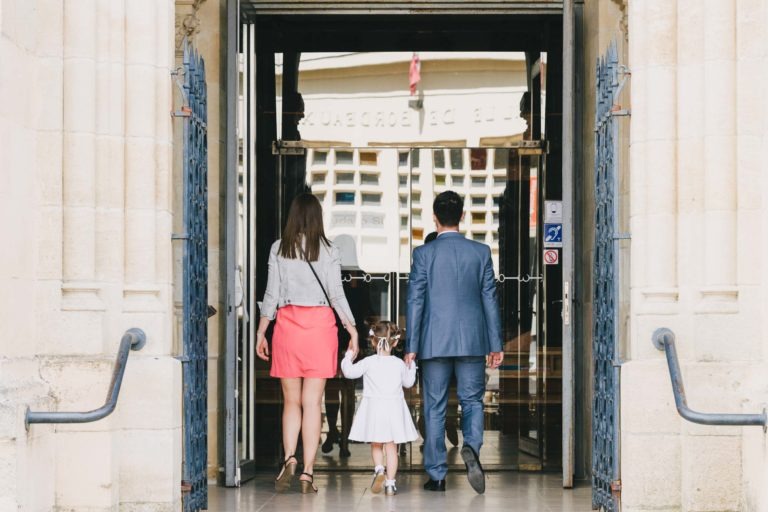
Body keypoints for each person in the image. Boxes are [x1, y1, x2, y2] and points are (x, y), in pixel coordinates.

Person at [256, 193, 359, 494]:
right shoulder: (329, 250)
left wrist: (262, 332)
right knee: (313, 403)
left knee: (292, 402)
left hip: (287, 327)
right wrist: (351, 330)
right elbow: (337, 295)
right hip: (320, 329)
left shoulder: (279, 248)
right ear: (317, 217)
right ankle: (308, 473)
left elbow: (271, 295)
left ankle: (289, 457)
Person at [406, 190, 503, 494]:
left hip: (434, 341)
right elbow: (490, 299)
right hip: (473, 340)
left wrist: (411, 344)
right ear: (462, 216)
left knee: (434, 407)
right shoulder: (481, 252)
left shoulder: (424, 254)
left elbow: (415, 301)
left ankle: (437, 475)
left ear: (435, 218)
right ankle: (471, 446)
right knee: (472, 401)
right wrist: (495, 343)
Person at [341, 321, 418, 496]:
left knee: (376, 443)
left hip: (374, 409)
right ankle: (390, 484)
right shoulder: (398, 364)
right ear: (396, 342)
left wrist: (348, 356)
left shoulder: (368, 362)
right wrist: (412, 366)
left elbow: (349, 373)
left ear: (373, 341)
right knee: (392, 448)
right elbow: (409, 382)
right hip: (394, 409)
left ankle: (379, 470)